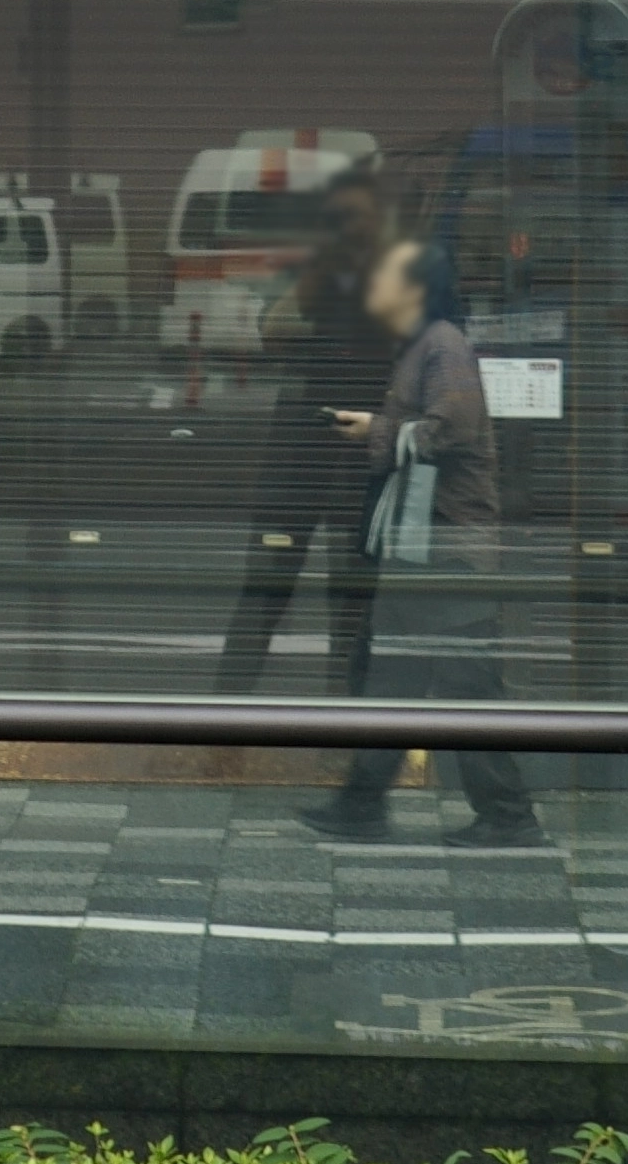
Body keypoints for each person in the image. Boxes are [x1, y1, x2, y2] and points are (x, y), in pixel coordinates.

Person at [302, 235, 543, 847]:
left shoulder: (443, 345)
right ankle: (363, 805)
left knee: (465, 687)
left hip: (448, 549)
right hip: (422, 547)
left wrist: (374, 430)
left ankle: (508, 814)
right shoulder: (426, 345)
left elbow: (451, 429)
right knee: (394, 679)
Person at [215, 166, 390, 699]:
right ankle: (223, 722)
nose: (350, 228)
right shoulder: (318, 274)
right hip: (300, 446)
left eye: (358, 217)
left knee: (354, 597)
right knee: (267, 584)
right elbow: (273, 334)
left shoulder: (395, 277)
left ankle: (347, 725)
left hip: (361, 448)